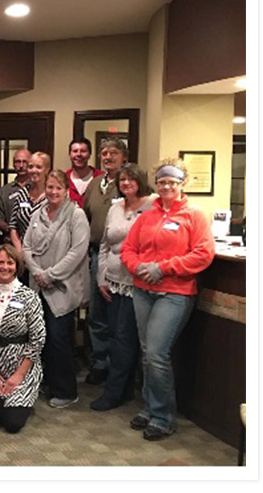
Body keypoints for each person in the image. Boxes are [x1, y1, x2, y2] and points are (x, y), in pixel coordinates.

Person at [120, 159, 215, 441]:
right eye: (161, 182)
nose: (166, 187)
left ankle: (164, 416)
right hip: (142, 290)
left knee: (157, 354)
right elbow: (128, 249)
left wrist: (164, 267)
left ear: (182, 183)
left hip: (174, 293)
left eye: (172, 182)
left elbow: (203, 254)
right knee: (148, 351)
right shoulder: (146, 216)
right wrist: (138, 268)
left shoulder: (193, 216)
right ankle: (150, 407)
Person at [90, 163, 155, 411]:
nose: (126, 183)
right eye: (122, 180)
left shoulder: (152, 204)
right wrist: (102, 277)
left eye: (131, 179)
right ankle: (123, 389)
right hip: (113, 281)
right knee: (116, 336)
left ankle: (116, 392)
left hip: (137, 283)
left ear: (140, 180)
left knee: (125, 339)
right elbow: (105, 244)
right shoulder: (116, 207)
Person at [23, 169, 90, 409]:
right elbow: (26, 246)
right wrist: (36, 272)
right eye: (49, 187)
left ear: (66, 190)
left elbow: (77, 252)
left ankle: (66, 390)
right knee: (41, 338)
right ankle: (47, 383)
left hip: (62, 286)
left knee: (59, 338)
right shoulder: (38, 214)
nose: (52, 192)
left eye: (57, 188)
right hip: (38, 285)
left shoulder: (76, 215)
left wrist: (50, 275)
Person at [0, 245, 46, 434]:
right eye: (0, 262)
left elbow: (38, 339)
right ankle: (0, 400)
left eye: (10, 262)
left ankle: (25, 395)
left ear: (17, 266)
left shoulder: (30, 296)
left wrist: (19, 375)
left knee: (12, 424)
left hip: (21, 365)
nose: (4, 267)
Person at [83, 137, 128, 385]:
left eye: (113, 153)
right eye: (104, 153)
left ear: (123, 156)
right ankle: (100, 362)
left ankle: (119, 368)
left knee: (118, 315)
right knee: (97, 312)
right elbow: (86, 217)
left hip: (121, 257)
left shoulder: (127, 182)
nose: (107, 157)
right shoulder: (96, 183)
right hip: (95, 253)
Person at [9, 151, 51, 256]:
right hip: (23, 254)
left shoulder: (53, 195)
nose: (34, 170)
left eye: (38, 167)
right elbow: (13, 226)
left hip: (47, 254)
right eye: (31, 167)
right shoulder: (22, 193)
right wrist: (20, 251)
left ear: (47, 169)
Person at [0, 148, 32, 240]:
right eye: (18, 162)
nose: (21, 165)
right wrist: (11, 230)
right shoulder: (4, 191)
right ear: (13, 165)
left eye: (25, 162)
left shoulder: (38, 188)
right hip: (10, 241)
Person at [66, 137, 103, 208]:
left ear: (90, 154)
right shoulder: (63, 179)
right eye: (75, 151)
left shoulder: (101, 178)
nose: (79, 154)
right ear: (70, 154)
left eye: (83, 151)